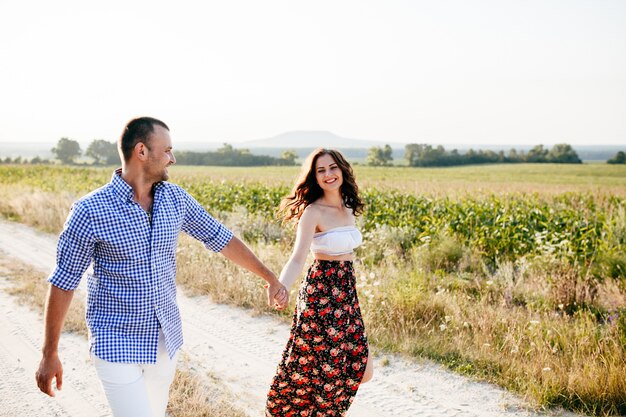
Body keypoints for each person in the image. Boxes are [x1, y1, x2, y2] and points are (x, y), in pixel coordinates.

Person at [35, 117, 288, 417]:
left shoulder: (175, 199)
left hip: (164, 340)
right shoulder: (91, 210)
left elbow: (221, 238)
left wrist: (269, 276)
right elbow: (64, 281)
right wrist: (49, 353)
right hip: (115, 339)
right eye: (167, 150)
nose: (173, 158)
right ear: (141, 151)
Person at [266, 148, 374, 417]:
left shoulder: (348, 206)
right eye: (321, 170)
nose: (328, 174)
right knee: (321, 372)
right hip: (321, 296)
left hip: (346, 294)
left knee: (360, 369)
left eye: (332, 167)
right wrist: (281, 286)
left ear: (342, 169)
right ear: (314, 177)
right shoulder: (312, 212)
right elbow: (297, 258)